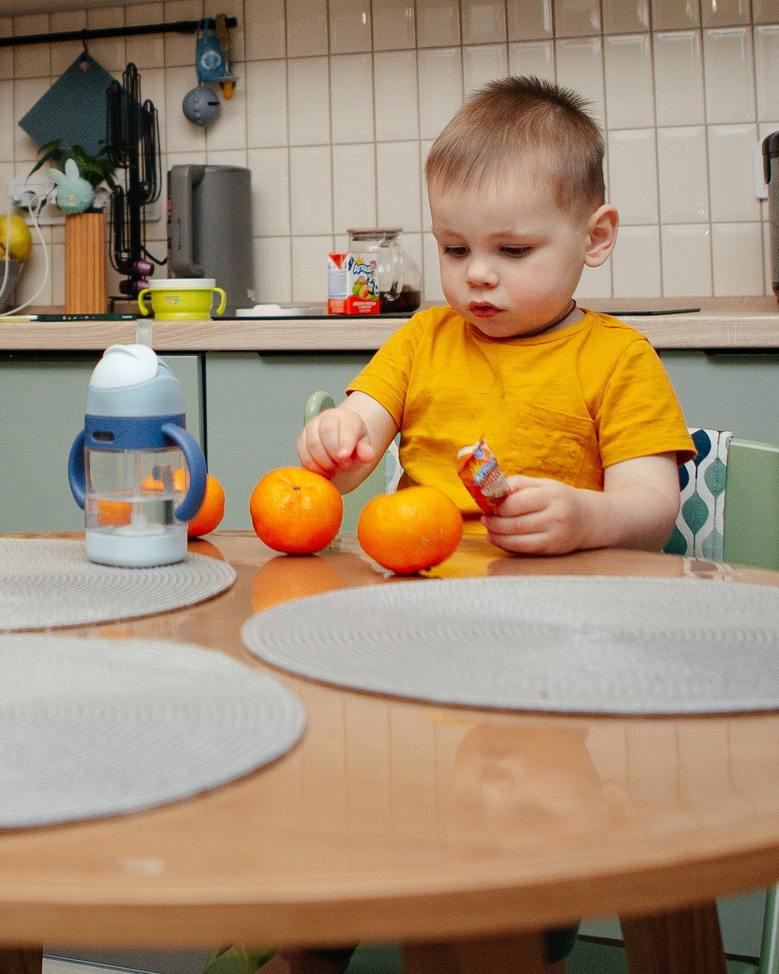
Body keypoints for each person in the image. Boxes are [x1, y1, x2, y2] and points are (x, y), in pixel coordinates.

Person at [247, 78, 694, 974]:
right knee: (350, 789)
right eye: (455, 247)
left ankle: (521, 930)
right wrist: (342, 435)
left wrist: (585, 515)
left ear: (593, 239)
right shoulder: (422, 338)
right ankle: (303, 946)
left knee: (514, 822)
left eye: (513, 248)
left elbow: (654, 502)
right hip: (409, 636)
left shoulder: (617, 358)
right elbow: (364, 428)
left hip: (551, 648)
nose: (477, 273)